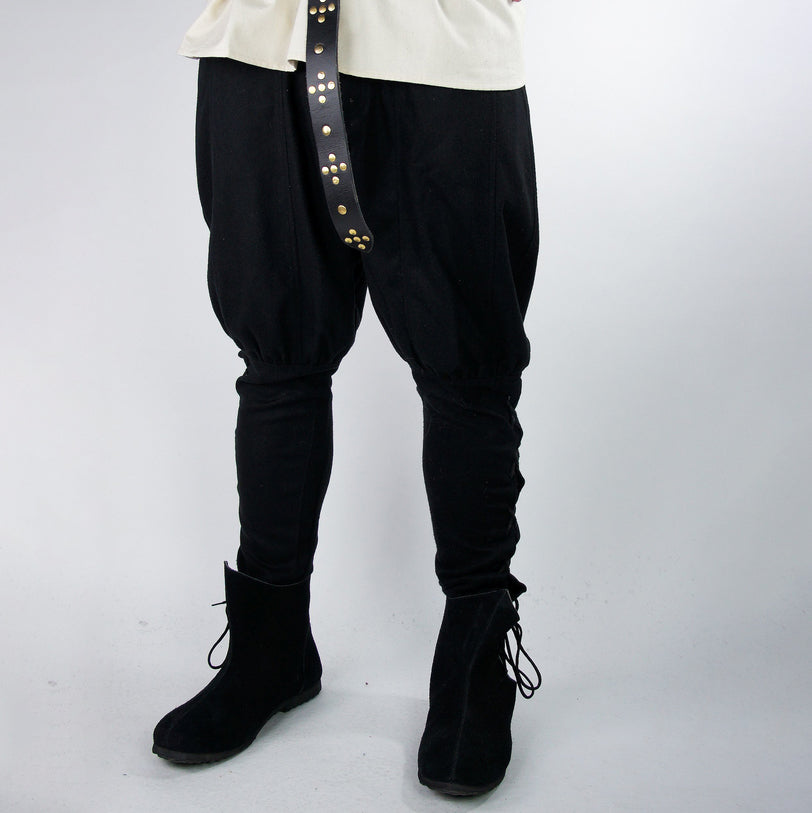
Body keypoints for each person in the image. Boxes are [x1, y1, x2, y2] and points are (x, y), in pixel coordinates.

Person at [152, 0, 541, 797]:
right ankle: (271, 651)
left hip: (435, 52)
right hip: (259, 47)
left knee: (468, 369)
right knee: (277, 356)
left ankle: (476, 661)